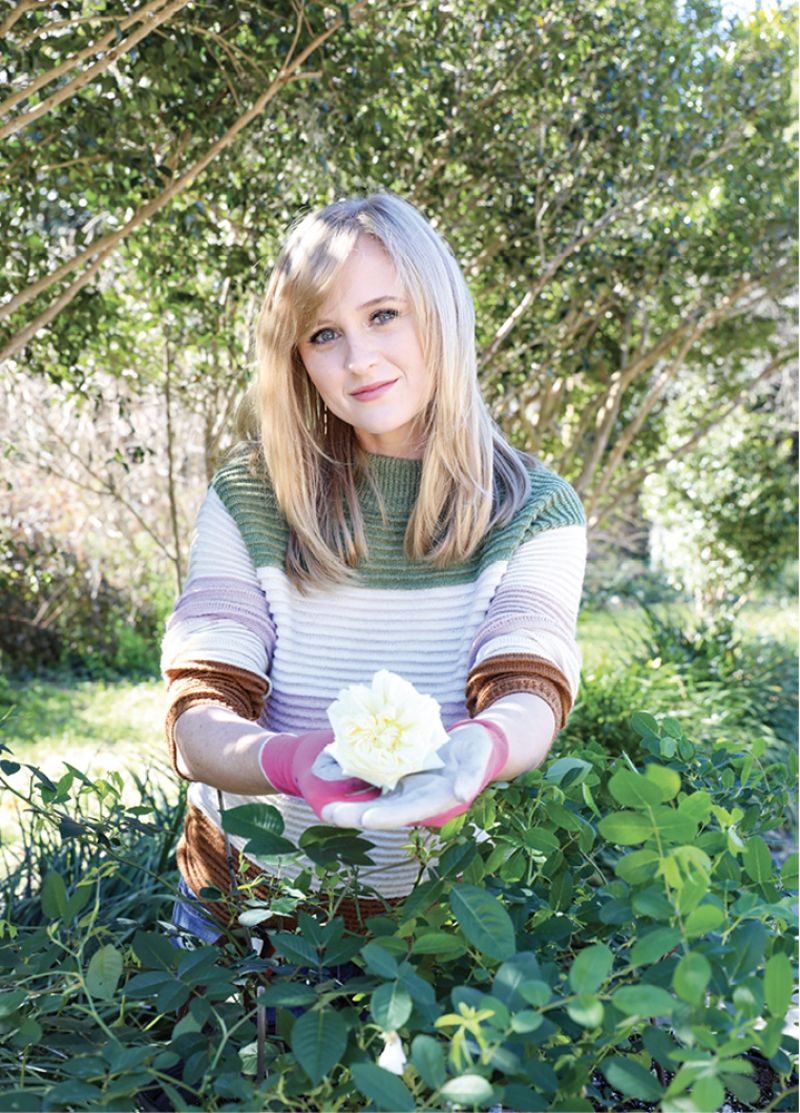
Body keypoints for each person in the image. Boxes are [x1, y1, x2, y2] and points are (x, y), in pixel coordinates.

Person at [160, 191, 587, 949]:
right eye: (325, 334)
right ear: (298, 361)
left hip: (427, 939)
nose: (359, 359)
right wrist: (291, 761)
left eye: (384, 314)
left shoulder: (536, 509)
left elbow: (527, 690)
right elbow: (198, 721)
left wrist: (480, 748)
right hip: (243, 918)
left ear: (440, 311)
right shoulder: (250, 495)